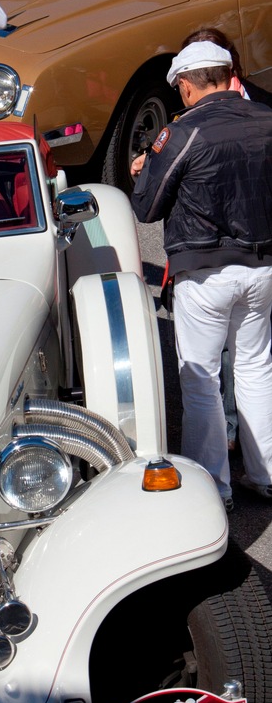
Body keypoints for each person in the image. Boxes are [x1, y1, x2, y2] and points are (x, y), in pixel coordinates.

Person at [131, 40, 272, 513]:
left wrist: (145, 168)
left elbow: (146, 207)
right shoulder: (267, 117)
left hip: (205, 269)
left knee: (201, 377)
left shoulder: (182, 131)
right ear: (228, 75)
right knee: (255, 368)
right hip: (264, 267)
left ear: (188, 86)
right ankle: (265, 473)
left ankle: (215, 485)